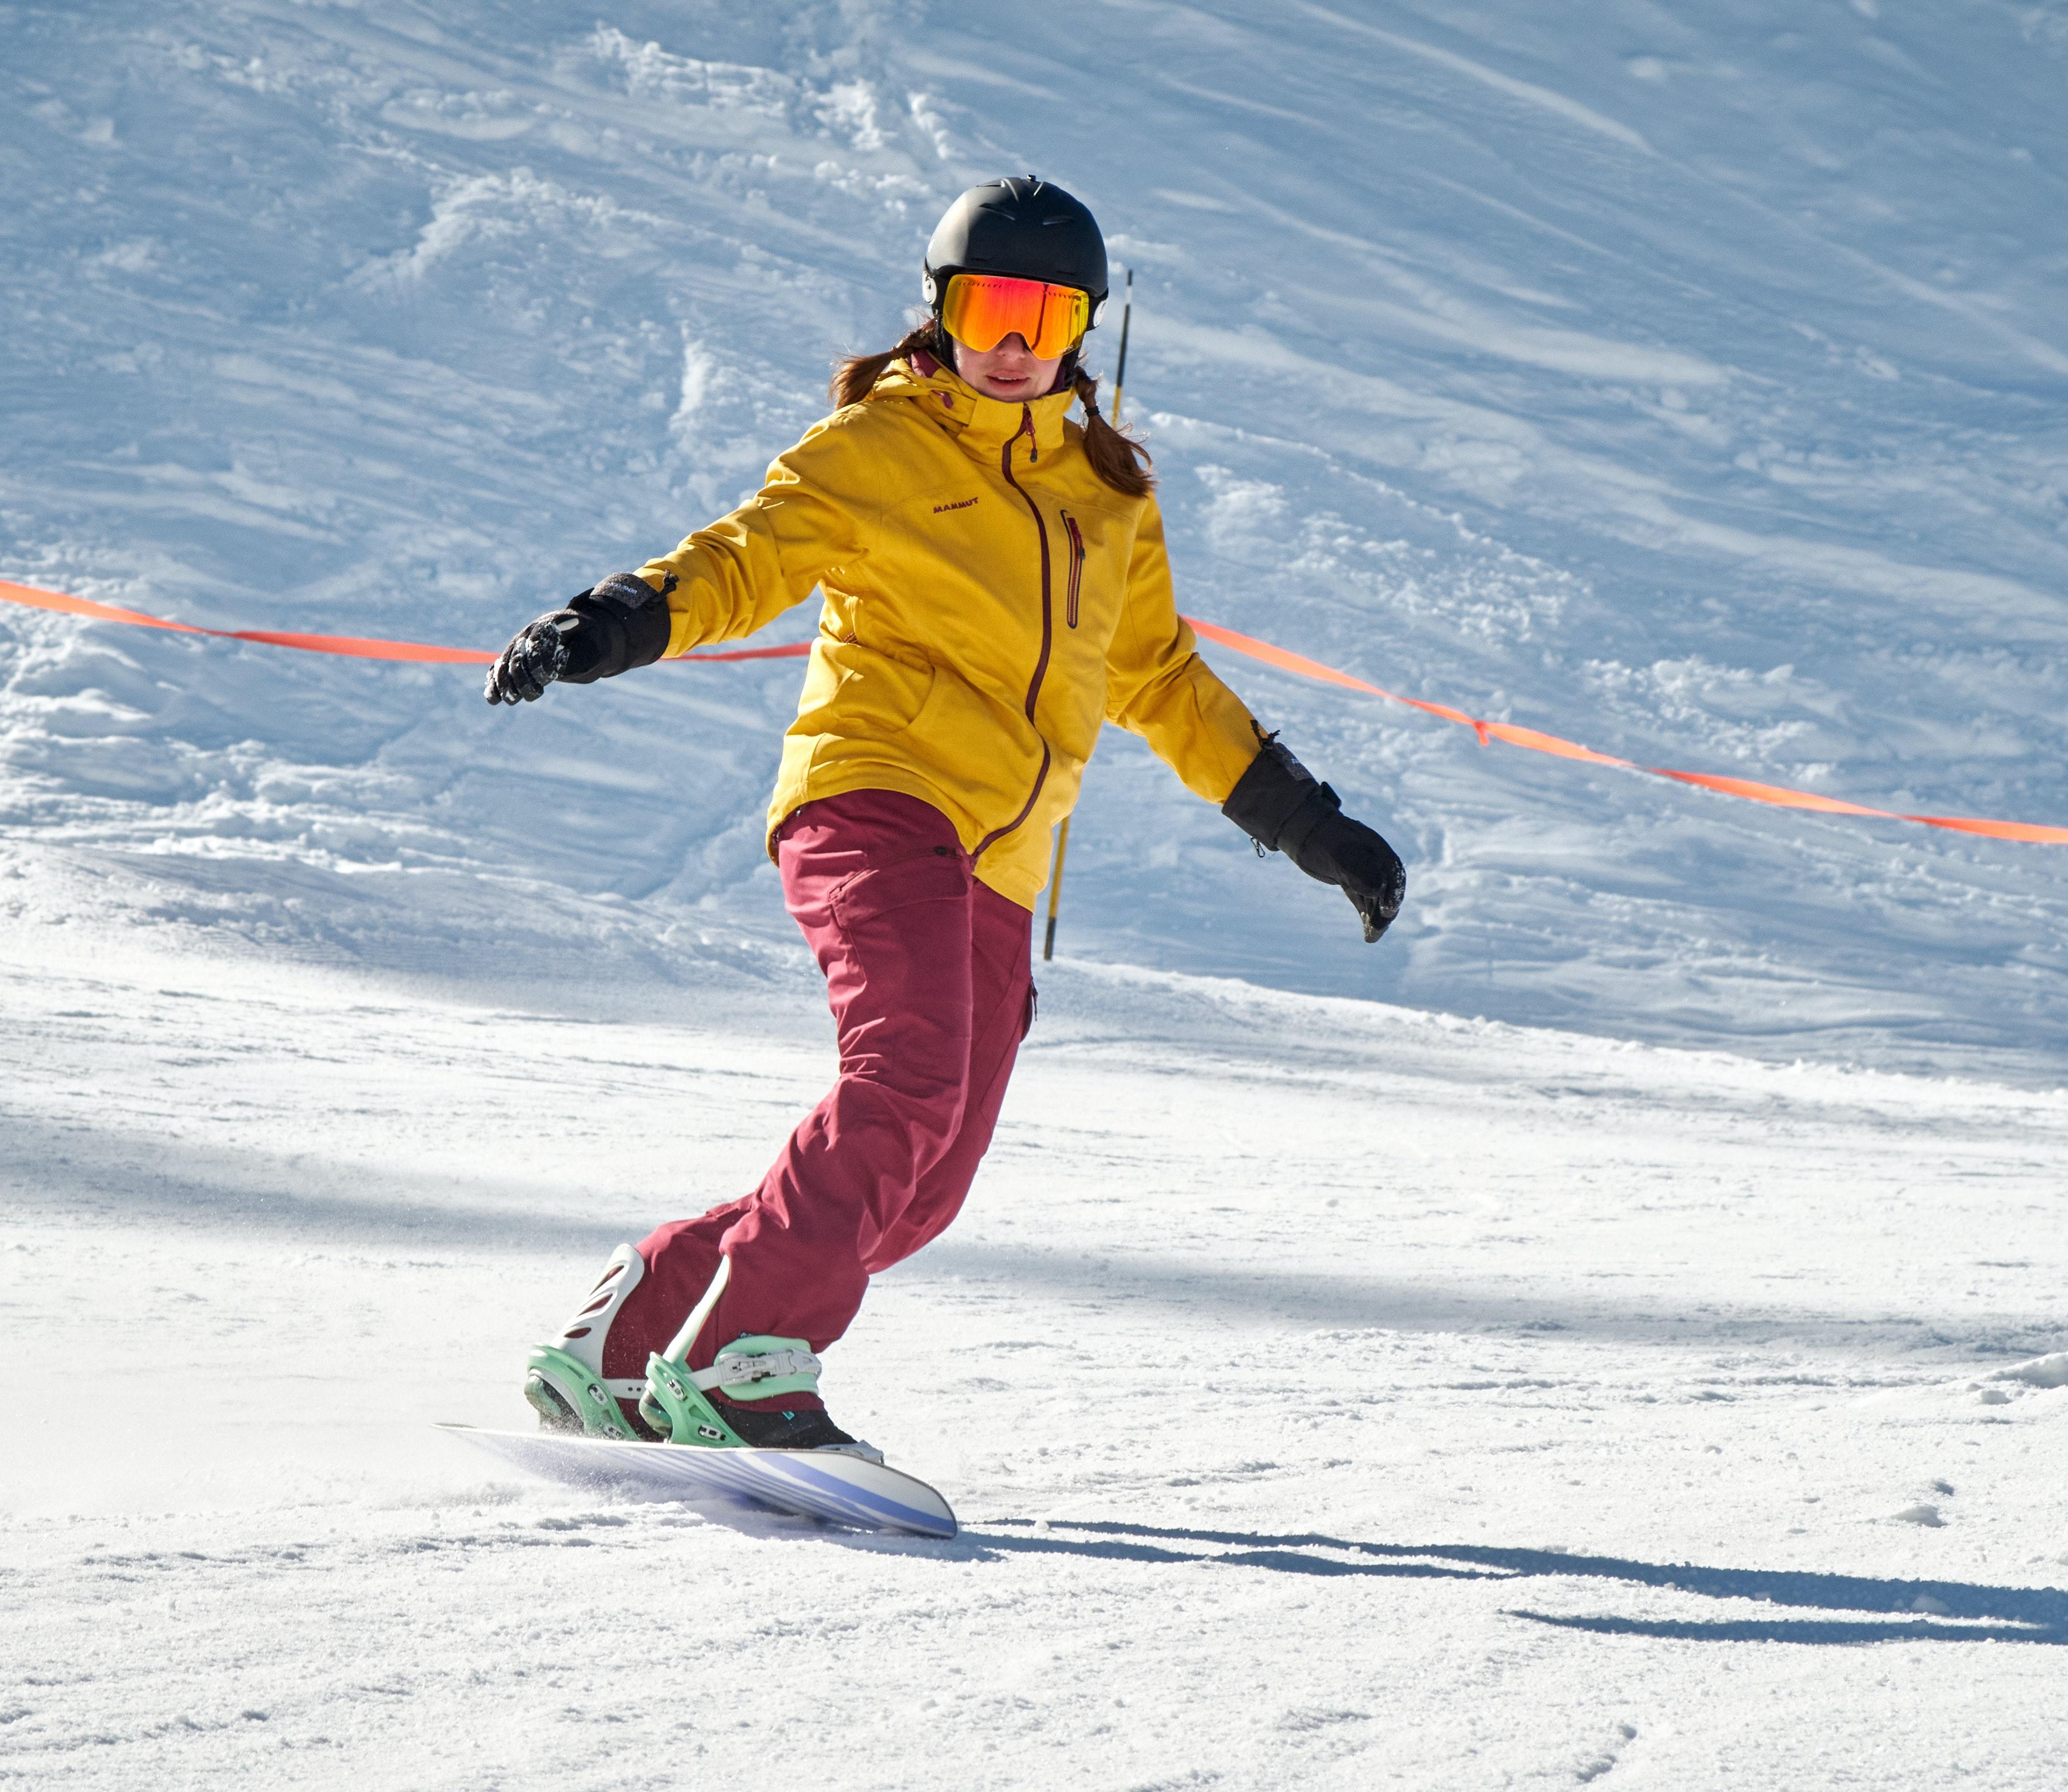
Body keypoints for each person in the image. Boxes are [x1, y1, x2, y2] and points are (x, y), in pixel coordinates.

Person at [480, 176, 1404, 1461]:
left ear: (1079, 325)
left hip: (999, 861)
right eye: (986, 306)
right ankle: (746, 1371)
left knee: (910, 1193)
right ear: (939, 314)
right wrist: (616, 621)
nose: (1013, 340)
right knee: (901, 1079)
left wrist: (1312, 828)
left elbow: (1159, 679)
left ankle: (635, 1330)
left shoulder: (1108, 496)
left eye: (1042, 311)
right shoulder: (879, 447)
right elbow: (749, 554)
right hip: (875, 793)